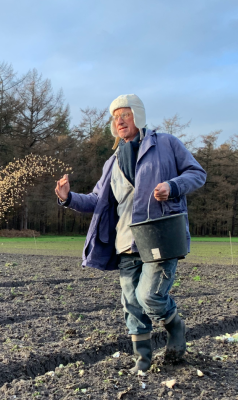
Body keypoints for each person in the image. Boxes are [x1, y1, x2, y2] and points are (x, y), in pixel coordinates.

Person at [55, 94, 206, 374]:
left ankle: (176, 328)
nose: (120, 121)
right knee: (132, 304)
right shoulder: (112, 162)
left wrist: (173, 186)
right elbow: (96, 200)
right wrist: (68, 197)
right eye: (115, 117)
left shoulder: (166, 144)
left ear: (138, 115)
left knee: (149, 296)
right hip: (125, 241)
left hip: (160, 236)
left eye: (125, 114)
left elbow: (197, 173)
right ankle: (143, 360)